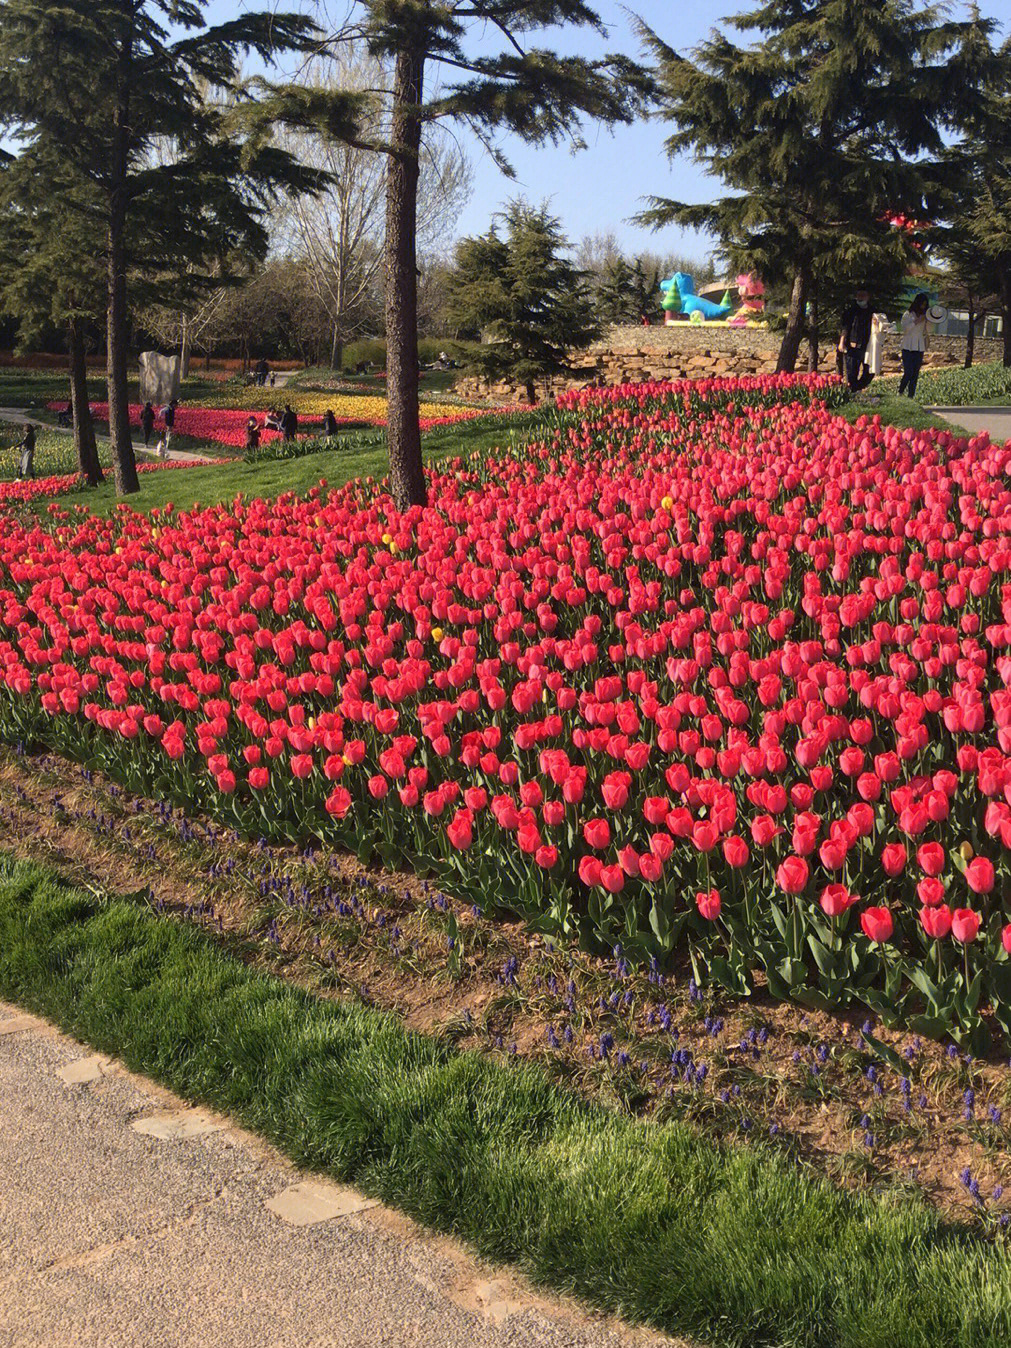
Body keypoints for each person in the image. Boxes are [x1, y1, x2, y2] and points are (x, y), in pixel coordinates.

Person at [838, 287, 875, 392]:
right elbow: (845, 327)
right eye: (859, 295)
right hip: (853, 346)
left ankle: (858, 388)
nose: (860, 298)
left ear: (868, 297)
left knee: (870, 372)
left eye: (863, 295)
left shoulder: (873, 311)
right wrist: (842, 343)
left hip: (867, 346)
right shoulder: (850, 311)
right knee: (852, 373)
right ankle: (853, 392)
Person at [898, 292, 930, 398]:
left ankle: (911, 396)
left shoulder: (925, 317)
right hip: (908, 346)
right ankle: (900, 392)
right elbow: (905, 329)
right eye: (922, 304)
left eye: (925, 305)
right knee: (908, 372)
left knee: (915, 374)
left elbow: (927, 331)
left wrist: (926, 321)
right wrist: (916, 321)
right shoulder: (907, 314)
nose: (923, 307)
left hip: (919, 346)